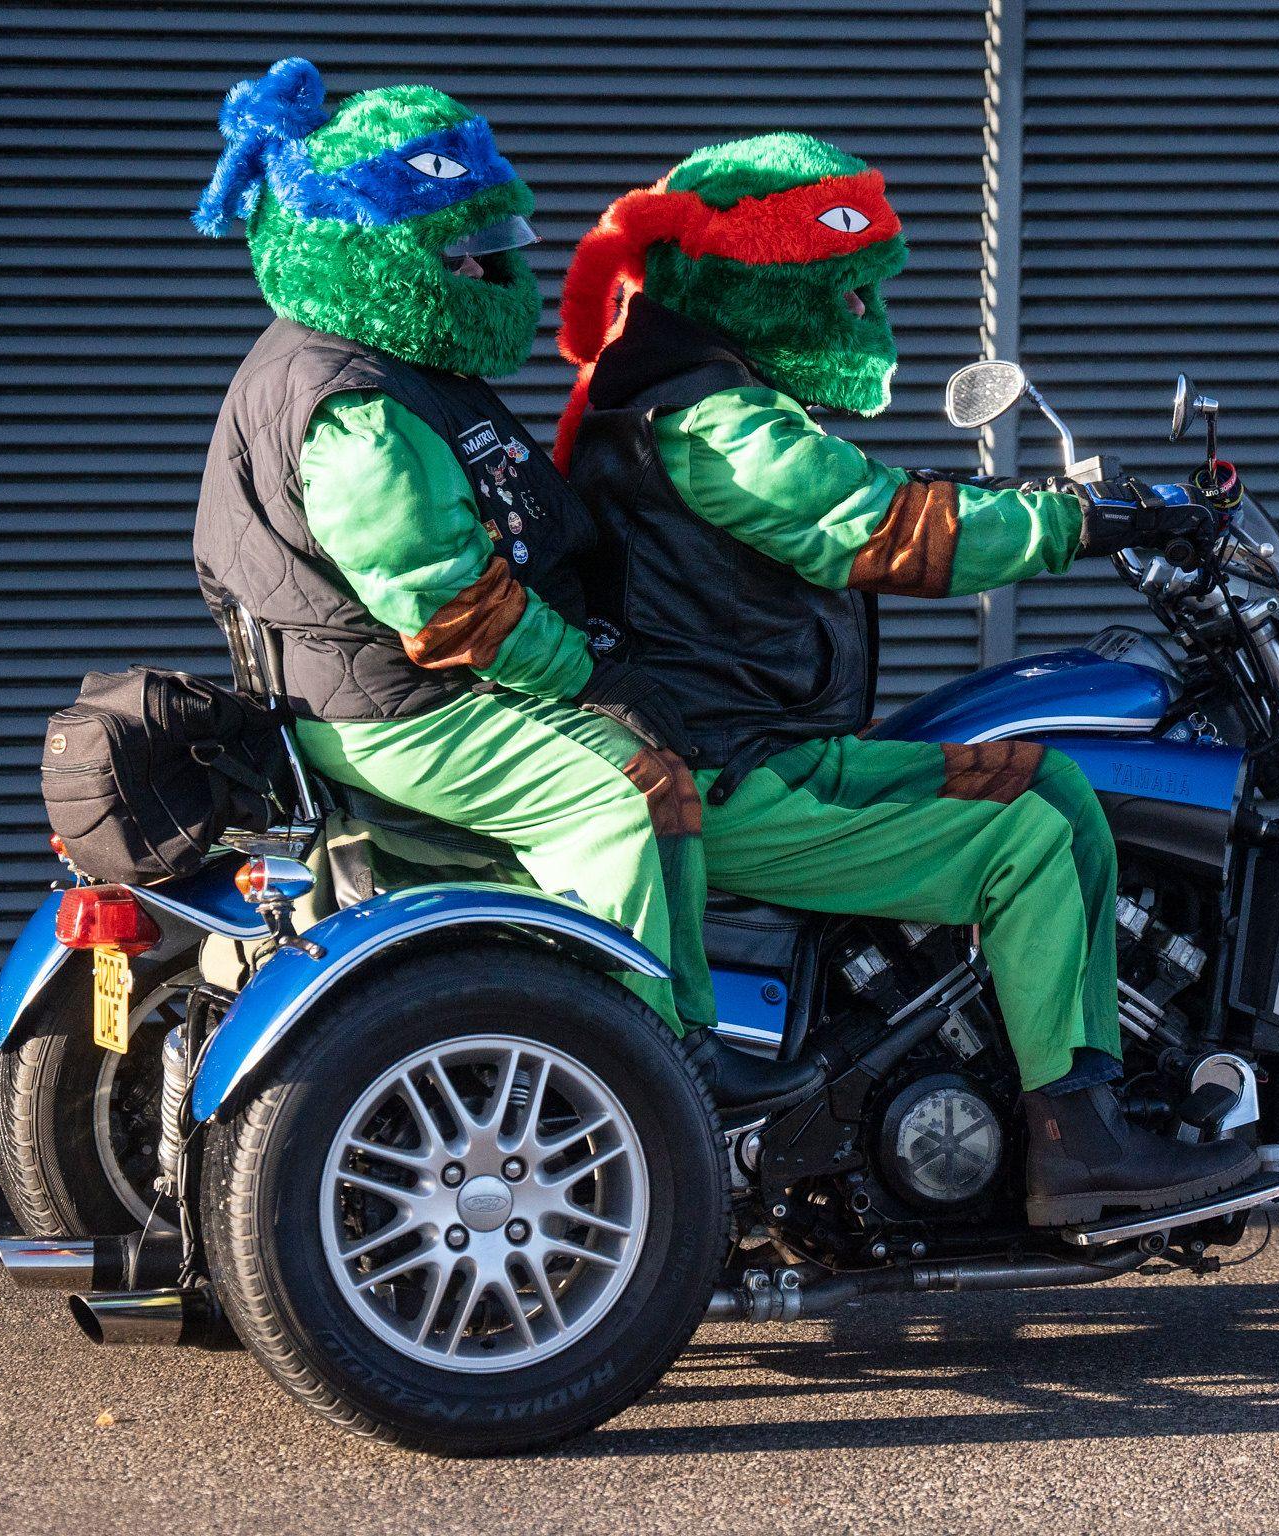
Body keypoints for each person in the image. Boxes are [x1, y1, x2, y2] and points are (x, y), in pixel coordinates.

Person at [552, 132, 1260, 1224]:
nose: (864, 324)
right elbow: (873, 525)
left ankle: (1081, 1108)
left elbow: (845, 494)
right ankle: (1075, 1147)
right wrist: (1082, 518)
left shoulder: (692, 394)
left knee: (1053, 785)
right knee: (1020, 841)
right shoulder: (709, 416)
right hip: (728, 771)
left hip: (758, 741)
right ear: (766, 285)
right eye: (841, 297)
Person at [185, 59, 812, 1110]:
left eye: (488, 252)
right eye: (461, 256)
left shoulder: (390, 365)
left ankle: (641, 1033)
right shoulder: (352, 401)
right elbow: (446, 604)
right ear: (376, 251)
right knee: (624, 792)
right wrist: (591, 681)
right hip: (399, 710)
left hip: (394, 689)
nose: (489, 278)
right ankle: (647, 1077)